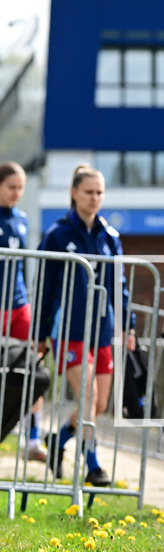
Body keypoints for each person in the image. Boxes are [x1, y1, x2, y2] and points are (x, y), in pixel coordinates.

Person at [36, 164, 136, 486]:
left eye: (99, 192)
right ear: (74, 193)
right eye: (89, 192)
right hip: (69, 329)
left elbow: (120, 286)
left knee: (99, 404)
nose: (94, 198)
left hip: (103, 329)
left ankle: (59, 440)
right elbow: (45, 287)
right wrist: (40, 333)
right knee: (88, 398)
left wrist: (128, 325)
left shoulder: (110, 236)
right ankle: (93, 465)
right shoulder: (57, 234)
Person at [0, 161, 48, 464]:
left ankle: (33, 438)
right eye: (11, 187)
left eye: (21, 188)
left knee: (32, 368)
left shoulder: (21, 219)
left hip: (19, 305)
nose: (17, 193)